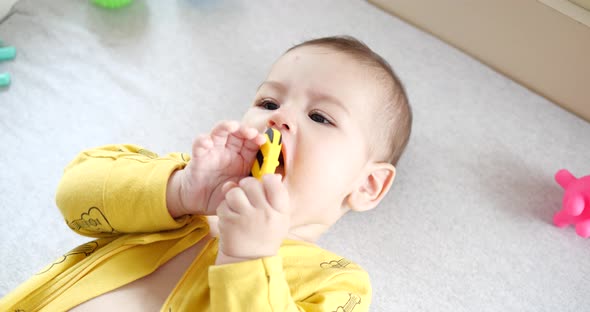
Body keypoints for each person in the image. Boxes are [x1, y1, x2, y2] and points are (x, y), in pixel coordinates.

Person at [1, 35, 412, 311]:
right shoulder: (179, 191)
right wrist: (179, 189)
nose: (281, 118)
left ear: (368, 185)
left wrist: (250, 259)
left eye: (320, 116)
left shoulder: (339, 285)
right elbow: (73, 196)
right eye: (269, 103)